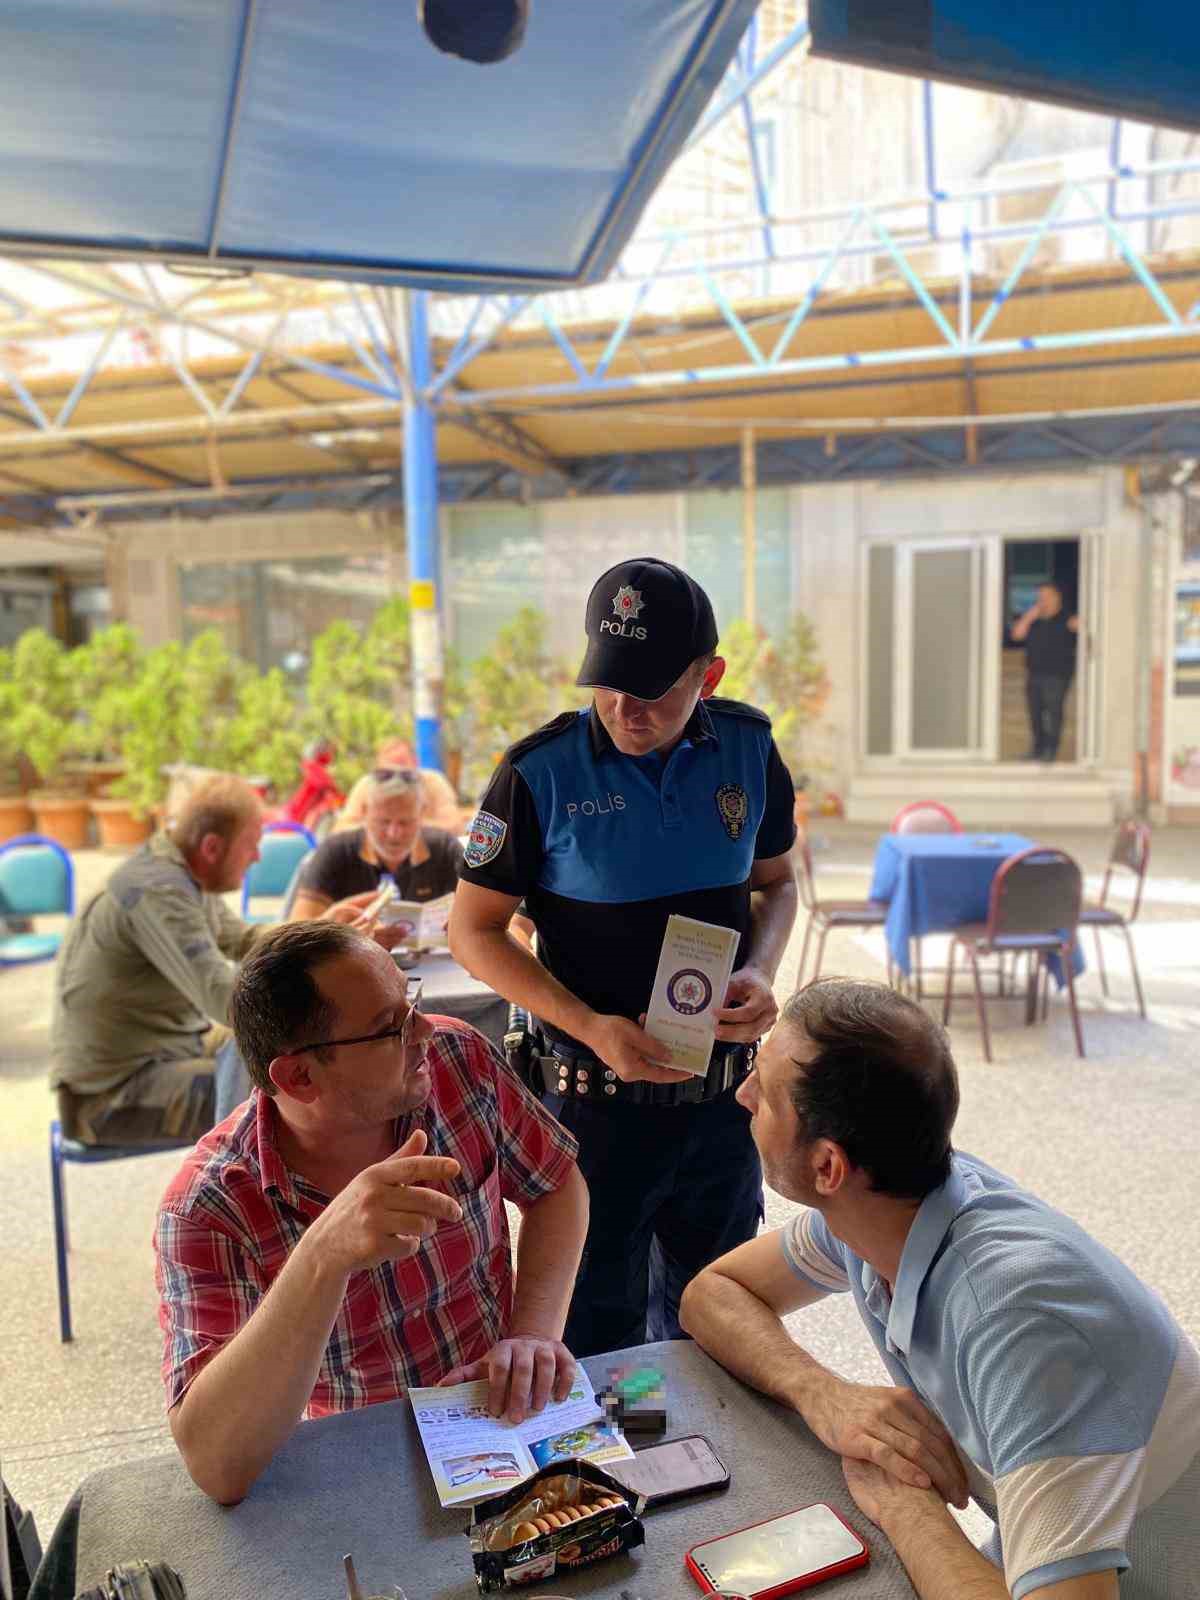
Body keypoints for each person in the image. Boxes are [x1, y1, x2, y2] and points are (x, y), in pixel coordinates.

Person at [680, 979, 1200, 1600]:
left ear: (827, 1167)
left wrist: (907, 1509)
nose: (742, 1094)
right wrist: (825, 1394)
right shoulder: (884, 1207)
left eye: (765, 1093)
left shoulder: (1016, 1321)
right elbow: (712, 1295)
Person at [449, 556, 798, 1357]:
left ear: (708, 676)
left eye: (651, 689)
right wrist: (589, 1025)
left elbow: (778, 884)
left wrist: (763, 971)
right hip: (591, 1114)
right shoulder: (538, 772)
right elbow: (473, 932)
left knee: (721, 1327)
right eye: (608, 682)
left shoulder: (748, 749)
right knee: (593, 1343)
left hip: (722, 1105)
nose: (623, 708)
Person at [155, 920, 588, 1505]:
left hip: (502, 1415)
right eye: (392, 1028)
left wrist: (532, 1334)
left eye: (412, 1004)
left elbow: (556, 1185)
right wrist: (322, 1256)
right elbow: (216, 1467)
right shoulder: (208, 1209)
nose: (425, 1031)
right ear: (299, 1076)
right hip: (363, 1464)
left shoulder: (456, 1064)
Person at [49, 775, 266, 1145]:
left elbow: (244, 940)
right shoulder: (160, 890)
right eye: (252, 845)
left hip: (166, 1050)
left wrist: (326, 935)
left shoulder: (183, 873)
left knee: (279, 1056)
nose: (257, 856)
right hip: (108, 1099)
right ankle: (233, 1182)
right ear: (212, 847)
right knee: (284, 1092)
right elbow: (228, 1001)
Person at [290, 767, 464, 922]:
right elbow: (297, 928)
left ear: (422, 814)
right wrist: (338, 926)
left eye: (405, 822)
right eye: (383, 822)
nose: (394, 833)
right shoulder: (335, 851)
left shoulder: (445, 849)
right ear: (364, 813)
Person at [335, 737, 465, 836]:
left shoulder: (433, 782)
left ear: (415, 763)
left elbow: (455, 826)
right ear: (378, 770)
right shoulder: (367, 786)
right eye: (387, 773)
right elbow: (341, 829)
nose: (395, 781)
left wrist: (410, 826)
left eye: (402, 768)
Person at [1011, 583, 1079, 764]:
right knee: (1035, 713)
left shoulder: (1067, 618)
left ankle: (1051, 750)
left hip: (1058, 675)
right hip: (1034, 673)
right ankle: (1037, 749)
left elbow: (1085, 630)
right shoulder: (1034, 619)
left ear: (1057, 598)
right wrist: (1029, 617)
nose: (1043, 600)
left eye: (1047, 596)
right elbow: (1017, 635)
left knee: (1053, 713)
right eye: (1040, 597)